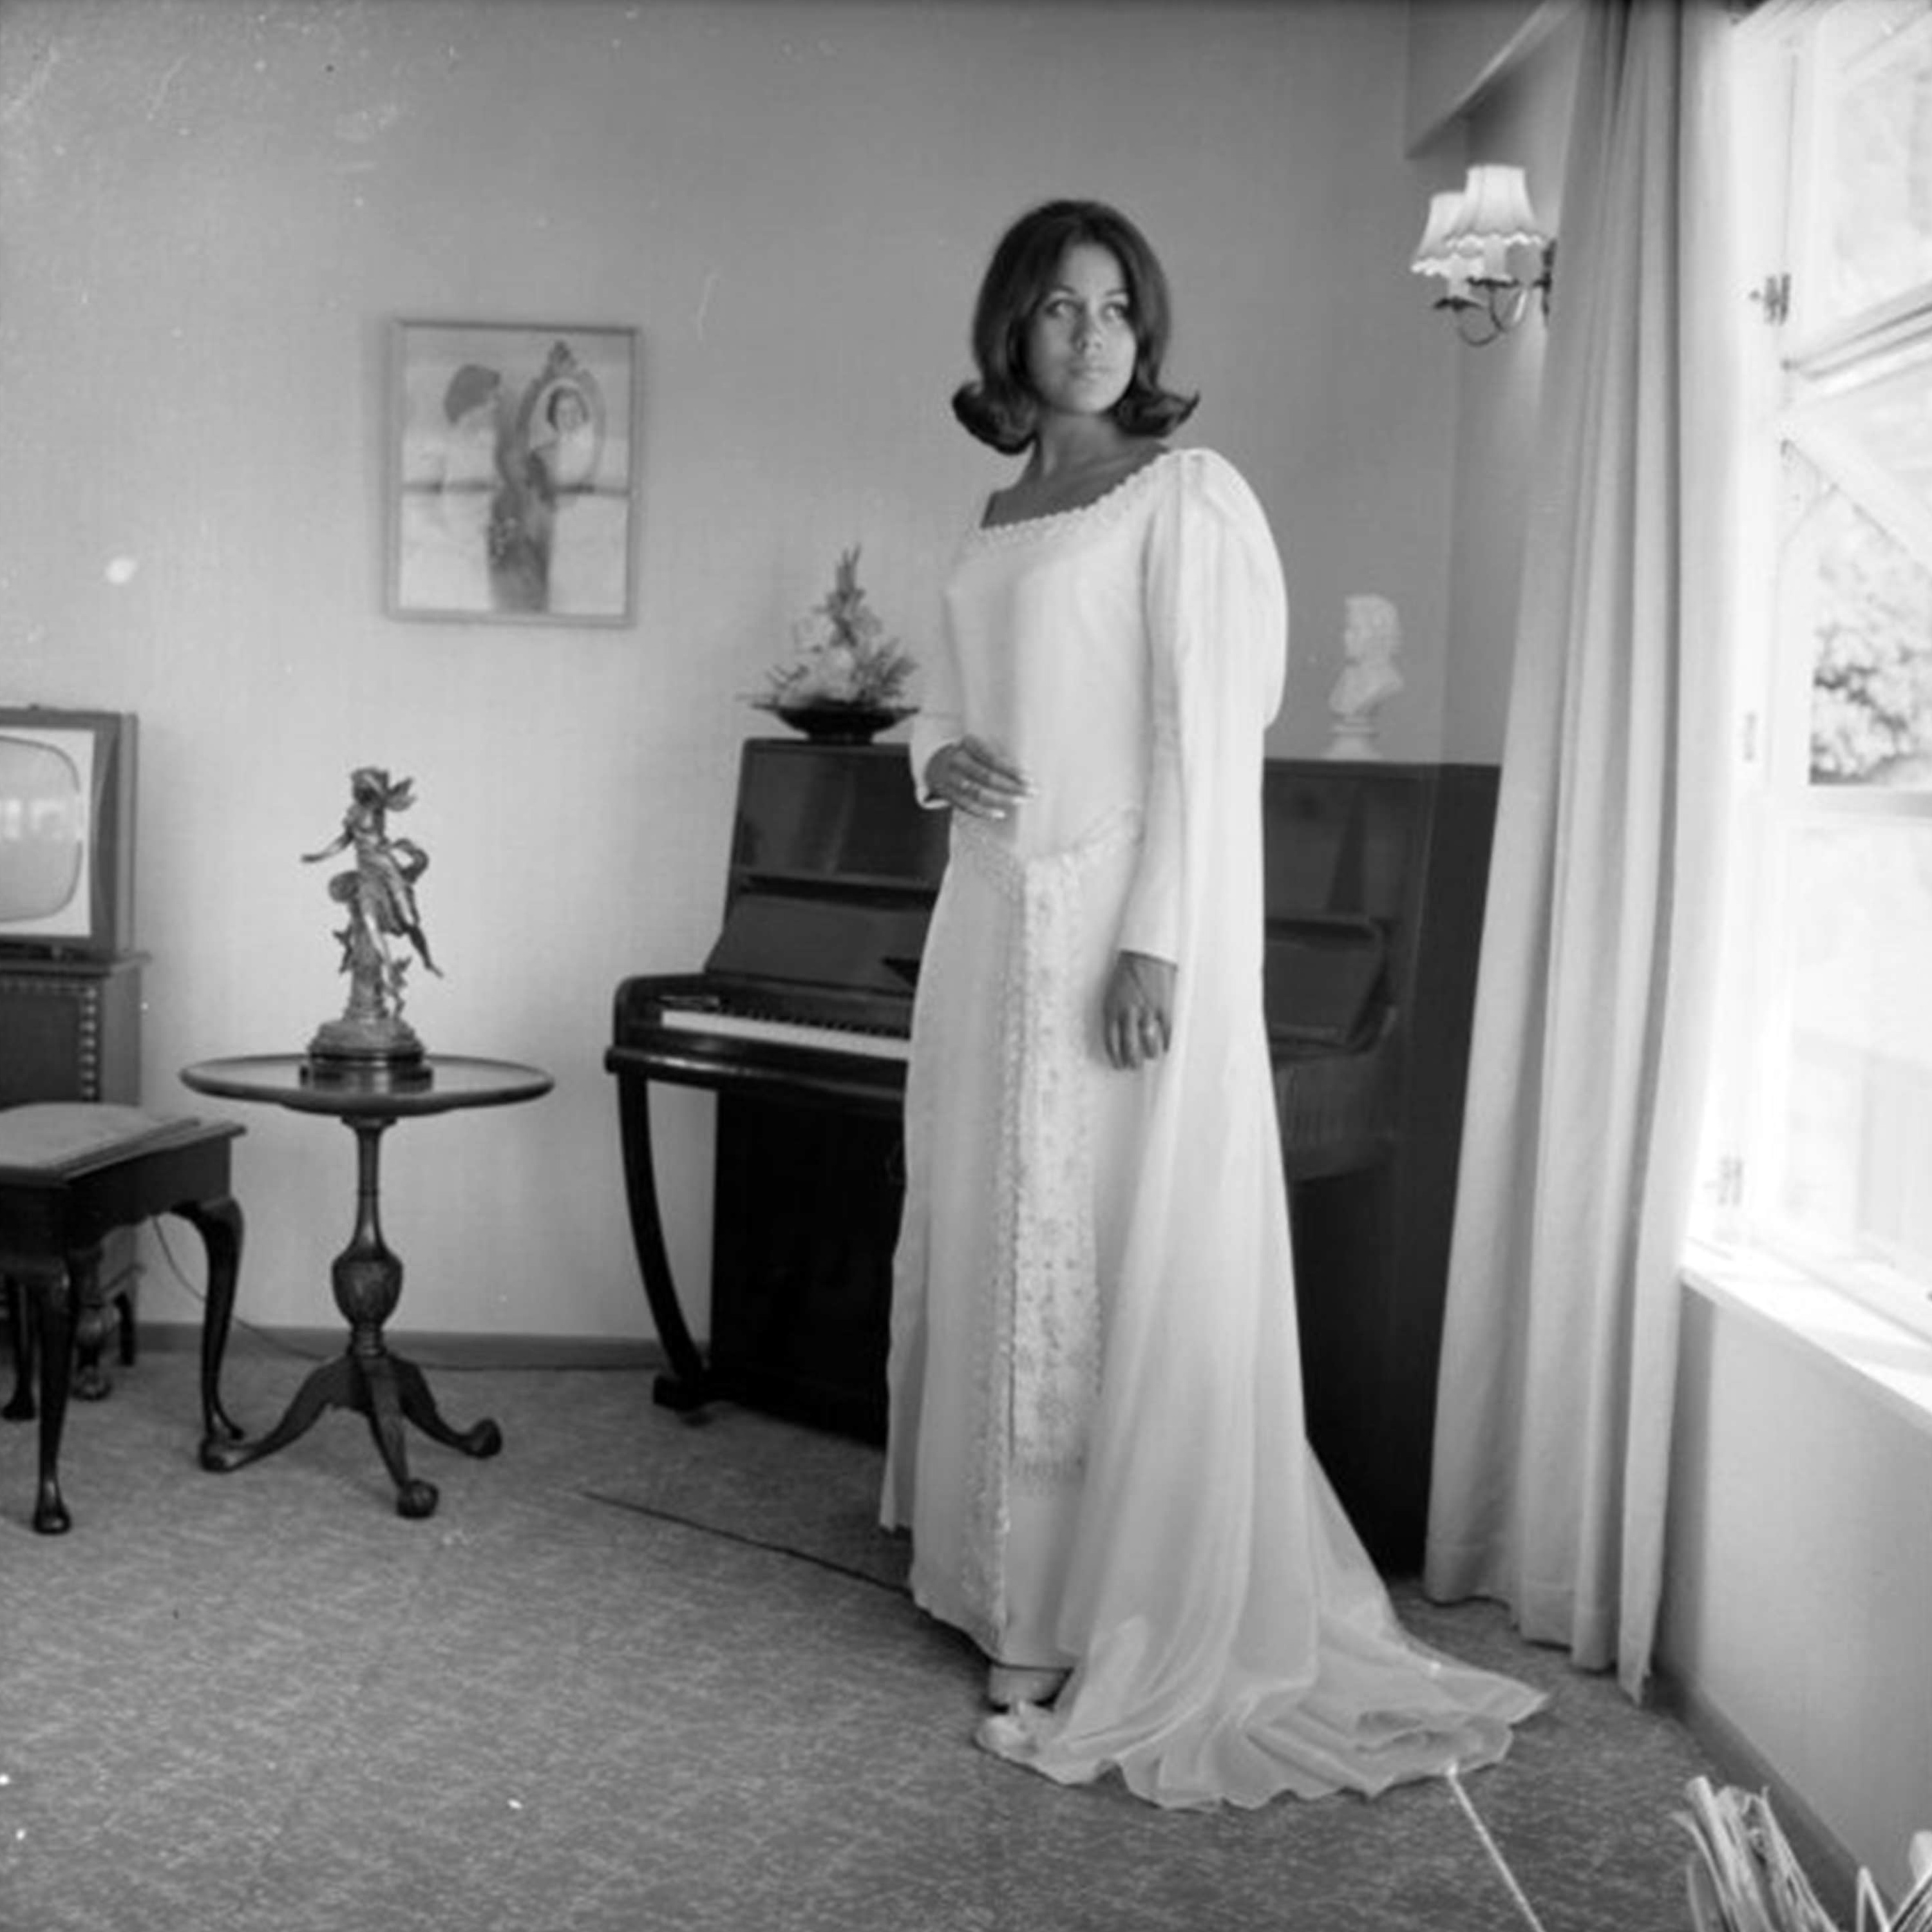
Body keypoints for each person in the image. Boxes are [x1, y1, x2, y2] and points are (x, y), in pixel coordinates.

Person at [882, 198, 1543, 1808]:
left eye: (1116, 306)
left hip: (1114, 915)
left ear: (1147, 331)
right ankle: (995, 1581)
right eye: (1060, 306)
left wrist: (1161, 943)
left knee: (1098, 1252)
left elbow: (1205, 740)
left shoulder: (1188, 496)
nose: (1091, 333)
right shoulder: (997, 510)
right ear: (1012, 332)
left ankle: (1084, 1615)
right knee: (996, 1234)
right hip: (992, 920)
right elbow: (951, 704)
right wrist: (930, 759)